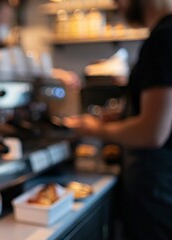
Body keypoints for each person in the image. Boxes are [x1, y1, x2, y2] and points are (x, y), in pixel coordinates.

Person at [63, 0, 172, 239]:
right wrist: (120, 116)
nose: (116, 4)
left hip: (156, 188)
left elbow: (152, 131)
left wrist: (96, 128)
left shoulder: (162, 40)